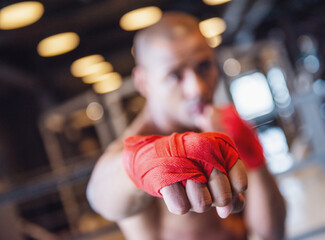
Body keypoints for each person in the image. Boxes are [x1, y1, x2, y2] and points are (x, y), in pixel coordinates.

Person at [87, 12, 286, 240]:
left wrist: (250, 152)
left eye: (204, 66)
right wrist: (142, 162)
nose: (198, 89)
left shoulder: (220, 126)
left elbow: (272, 232)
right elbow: (100, 194)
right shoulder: (136, 146)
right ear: (143, 82)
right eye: (175, 76)